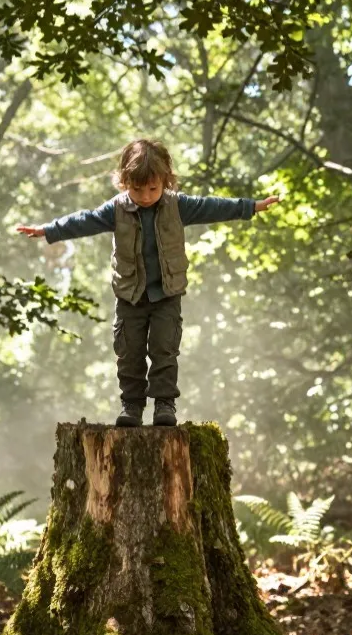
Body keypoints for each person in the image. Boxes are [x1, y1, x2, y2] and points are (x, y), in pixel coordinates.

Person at [17, 138, 280, 427]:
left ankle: (165, 404)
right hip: (130, 295)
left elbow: (213, 207)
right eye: (137, 189)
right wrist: (48, 230)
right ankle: (131, 406)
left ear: (166, 182)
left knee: (163, 347)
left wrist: (250, 207)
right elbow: (85, 220)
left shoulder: (177, 206)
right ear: (124, 182)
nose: (144, 196)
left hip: (166, 294)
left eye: (152, 188)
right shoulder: (116, 209)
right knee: (129, 352)